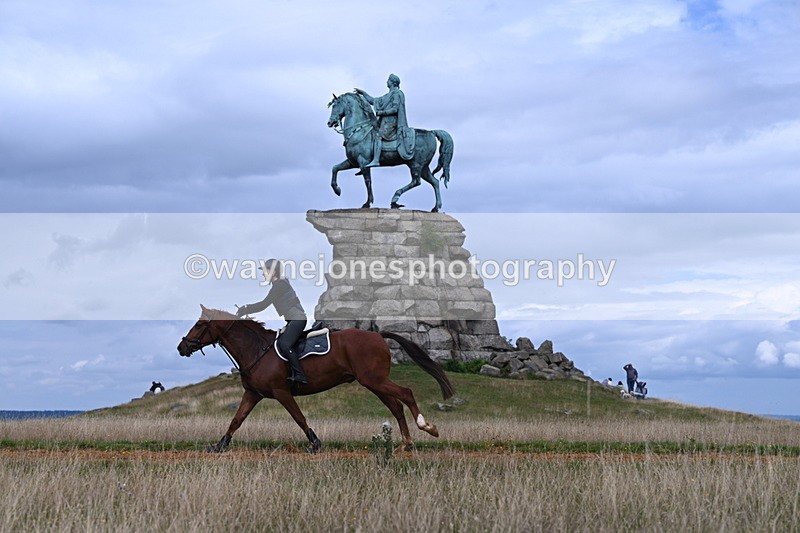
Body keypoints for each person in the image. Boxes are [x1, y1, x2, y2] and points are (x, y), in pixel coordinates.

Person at [236, 259, 308, 384]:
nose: (263, 274)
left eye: (265, 271)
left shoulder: (280, 285)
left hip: (298, 319)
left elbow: (263, 305)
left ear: (273, 272)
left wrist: (245, 309)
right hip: (293, 320)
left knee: (285, 344)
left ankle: (300, 375)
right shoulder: (278, 284)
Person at [354, 73, 415, 166]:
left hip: (391, 122)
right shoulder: (387, 96)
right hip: (384, 122)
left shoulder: (397, 94)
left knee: (378, 135)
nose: (387, 82)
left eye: (388, 80)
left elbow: (395, 109)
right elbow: (373, 101)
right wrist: (363, 93)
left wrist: (382, 113)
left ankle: (376, 160)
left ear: (393, 82)